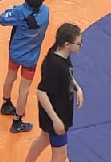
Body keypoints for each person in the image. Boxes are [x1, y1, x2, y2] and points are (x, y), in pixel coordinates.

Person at [22, 22, 83, 162]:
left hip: (55, 109)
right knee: (60, 154)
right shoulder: (55, 65)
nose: (81, 45)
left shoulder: (60, 53)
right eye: (79, 43)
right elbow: (41, 92)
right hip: (56, 112)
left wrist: (77, 88)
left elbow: (67, 74)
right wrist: (56, 120)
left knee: (44, 138)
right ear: (67, 44)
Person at [0, 0, 49, 133]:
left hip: (15, 52)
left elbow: (4, 19)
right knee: (24, 88)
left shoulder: (20, 12)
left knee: (10, 76)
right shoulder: (46, 12)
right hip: (31, 57)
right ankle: (17, 121)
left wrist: (1, 15)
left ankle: (6, 103)